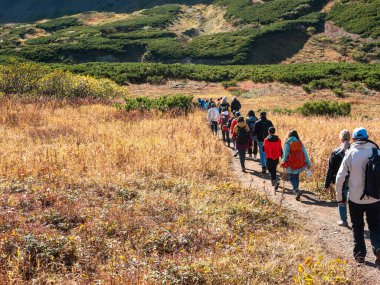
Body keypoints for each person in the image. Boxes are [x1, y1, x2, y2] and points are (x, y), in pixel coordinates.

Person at [335, 127, 380, 266]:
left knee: (358, 226)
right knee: (376, 225)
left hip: (355, 198)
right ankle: (378, 248)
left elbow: (340, 178)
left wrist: (340, 198)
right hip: (375, 198)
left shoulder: (350, 153)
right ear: (367, 137)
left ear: (353, 139)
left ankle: (360, 255)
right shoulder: (377, 152)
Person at [324, 129, 351, 227]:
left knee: (341, 200)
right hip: (354, 180)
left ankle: (344, 220)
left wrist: (326, 184)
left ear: (340, 139)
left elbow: (330, 170)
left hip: (340, 180)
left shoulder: (335, 152)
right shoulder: (355, 150)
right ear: (350, 137)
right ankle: (356, 221)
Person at [282, 130, 311, 201]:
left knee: (291, 176)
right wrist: (308, 163)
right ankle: (297, 189)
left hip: (291, 163)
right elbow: (305, 153)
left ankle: (296, 190)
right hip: (299, 162)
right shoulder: (300, 142)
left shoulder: (288, 142)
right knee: (296, 175)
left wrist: (284, 160)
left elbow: (286, 153)